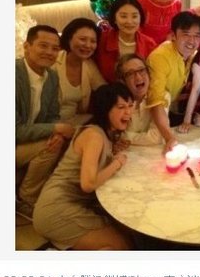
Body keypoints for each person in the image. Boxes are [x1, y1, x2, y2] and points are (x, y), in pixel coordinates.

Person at [33, 83, 134, 250]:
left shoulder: (104, 133)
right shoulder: (94, 135)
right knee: (121, 246)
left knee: (128, 233)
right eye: (121, 107)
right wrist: (117, 163)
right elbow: (88, 184)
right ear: (105, 110)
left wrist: (112, 153)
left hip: (72, 204)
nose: (128, 112)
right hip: (56, 208)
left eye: (130, 106)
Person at [16, 25, 76, 218]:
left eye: (55, 48)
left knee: (62, 141)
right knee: (50, 144)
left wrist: (56, 132)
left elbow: (52, 114)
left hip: (28, 141)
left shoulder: (51, 77)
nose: (49, 52)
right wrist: (56, 128)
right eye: (43, 46)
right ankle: (26, 199)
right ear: (27, 46)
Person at [147, 11, 200, 151]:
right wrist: (169, 138)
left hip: (172, 110)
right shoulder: (160, 57)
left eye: (197, 36)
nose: (192, 41)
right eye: (186, 34)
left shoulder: (193, 55)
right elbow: (156, 102)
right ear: (173, 35)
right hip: (148, 115)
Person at [53, 18, 106, 121]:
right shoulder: (53, 61)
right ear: (69, 39)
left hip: (76, 122)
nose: (88, 45)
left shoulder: (89, 65)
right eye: (82, 39)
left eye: (93, 41)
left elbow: (104, 91)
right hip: (49, 124)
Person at [95, 0, 157, 83]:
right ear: (114, 18)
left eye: (134, 16)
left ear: (140, 18)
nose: (129, 21)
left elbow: (153, 76)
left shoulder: (149, 44)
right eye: (123, 16)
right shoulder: (101, 40)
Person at [115, 54, 162, 146]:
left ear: (149, 73)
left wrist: (124, 137)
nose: (138, 77)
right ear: (123, 81)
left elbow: (155, 138)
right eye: (130, 74)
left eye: (141, 70)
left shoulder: (161, 96)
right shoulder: (117, 102)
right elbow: (114, 134)